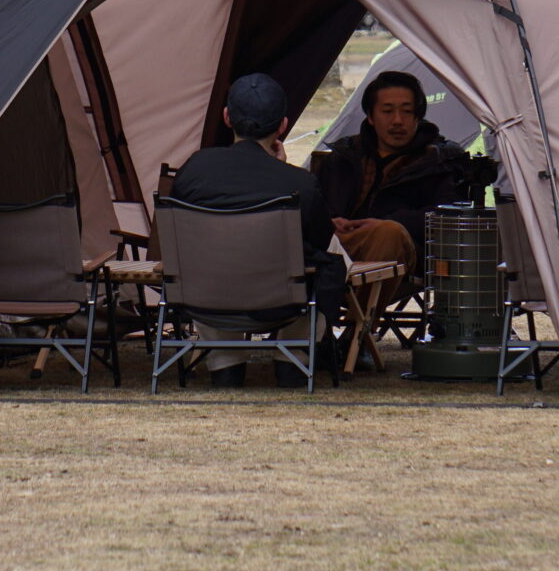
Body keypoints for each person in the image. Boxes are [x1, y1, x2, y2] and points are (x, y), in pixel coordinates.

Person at [169, 72, 340, 388]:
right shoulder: (298, 184)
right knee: (323, 259)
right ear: (283, 125)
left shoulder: (193, 171)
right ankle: (292, 359)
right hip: (280, 302)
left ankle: (225, 363)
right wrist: (282, 169)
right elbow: (319, 241)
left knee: (213, 259)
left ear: (226, 117)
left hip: (205, 298)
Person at [316, 70, 475, 309]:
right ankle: (299, 324)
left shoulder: (440, 160)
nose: (397, 120)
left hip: (407, 252)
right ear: (371, 116)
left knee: (388, 232)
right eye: (388, 111)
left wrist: (386, 223)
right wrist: (331, 221)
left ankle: (356, 333)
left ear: (418, 116)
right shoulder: (344, 156)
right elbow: (316, 204)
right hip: (342, 245)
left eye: (407, 111)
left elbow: (449, 218)